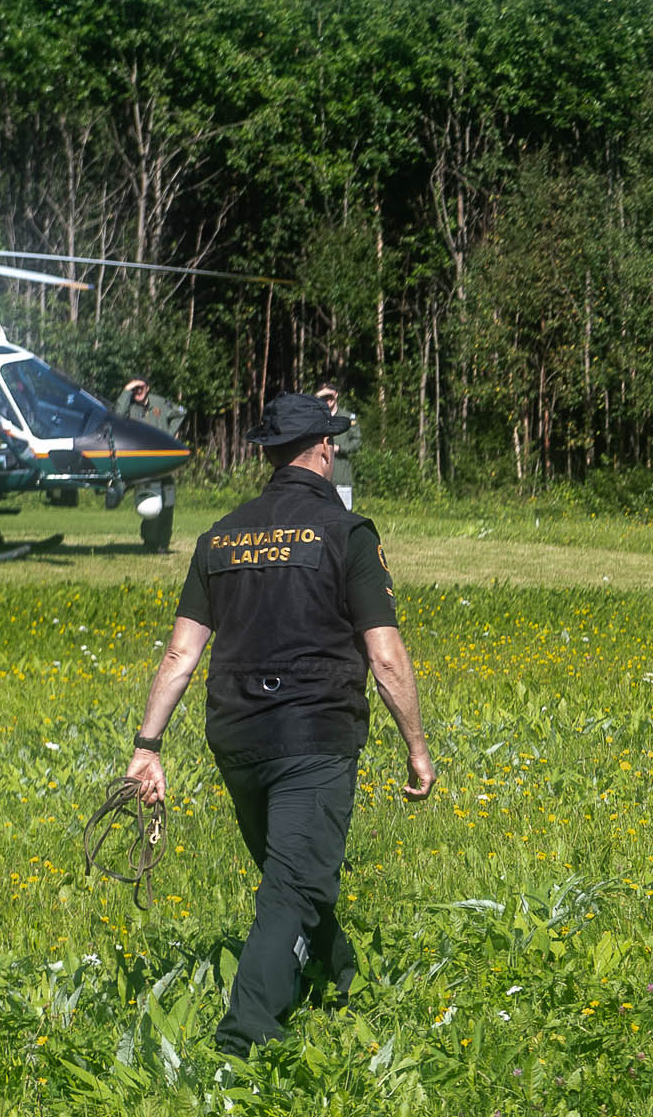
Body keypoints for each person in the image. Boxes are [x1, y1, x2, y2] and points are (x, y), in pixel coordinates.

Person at [124, 390, 437, 1057]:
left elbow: (181, 654)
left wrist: (148, 745)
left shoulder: (221, 535)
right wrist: (416, 745)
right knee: (294, 882)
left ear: (270, 454)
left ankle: (339, 977)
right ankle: (243, 1043)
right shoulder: (348, 533)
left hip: (236, 734)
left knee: (292, 872)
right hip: (314, 734)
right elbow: (385, 655)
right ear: (323, 448)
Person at [115, 377, 188, 553]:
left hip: (162, 462)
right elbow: (116, 417)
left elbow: (181, 412)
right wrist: (126, 390)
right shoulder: (128, 407)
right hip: (143, 465)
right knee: (150, 502)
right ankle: (149, 541)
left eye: (140, 387)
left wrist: (170, 435)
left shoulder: (159, 403)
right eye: (134, 389)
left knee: (167, 502)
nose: (137, 391)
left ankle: (163, 543)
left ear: (147, 388)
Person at [316, 383, 363, 510]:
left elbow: (357, 442)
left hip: (341, 474)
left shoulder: (348, 417)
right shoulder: (317, 418)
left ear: (336, 395)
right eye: (323, 397)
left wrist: (339, 448)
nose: (327, 399)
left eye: (329, 395)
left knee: (344, 512)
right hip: (321, 474)